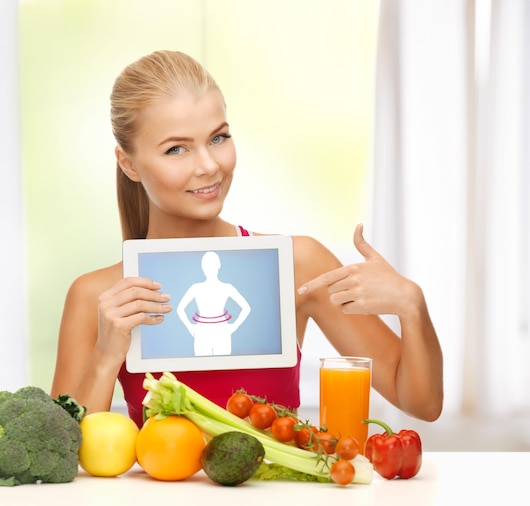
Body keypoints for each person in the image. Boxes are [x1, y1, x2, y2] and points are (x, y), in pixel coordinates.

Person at [50, 50, 443, 427]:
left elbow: (421, 403)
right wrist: (105, 355)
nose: (208, 166)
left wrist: (412, 305)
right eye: (176, 149)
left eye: (218, 138)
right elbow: (60, 453)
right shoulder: (97, 297)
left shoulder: (297, 264)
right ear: (129, 163)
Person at [176, 251, 252, 356]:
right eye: (206, 265)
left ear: (218, 265)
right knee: (201, 368)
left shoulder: (226, 287)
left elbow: (246, 308)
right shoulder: (196, 288)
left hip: (221, 332)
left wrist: (234, 326)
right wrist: (190, 327)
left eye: (211, 264)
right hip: (202, 332)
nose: (209, 268)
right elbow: (180, 309)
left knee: (224, 367)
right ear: (202, 267)